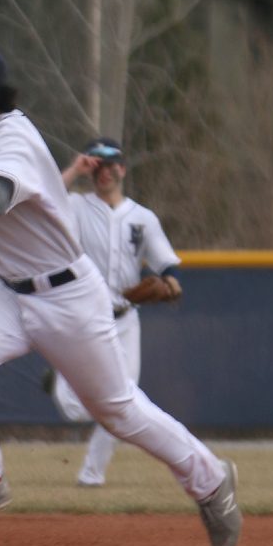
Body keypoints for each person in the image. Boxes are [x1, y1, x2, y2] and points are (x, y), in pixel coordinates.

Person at [0, 42, 242, 546]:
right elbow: (4, 214)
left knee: (118, 412)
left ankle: (210, 481)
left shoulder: (12, 137)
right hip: (9, 293)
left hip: (68, 298)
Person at [41, 137, 184, 487]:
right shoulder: (75, 205)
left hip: (124, 320)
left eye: (110, 165)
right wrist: (75, 168)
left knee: (126, 399)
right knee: (73, 408)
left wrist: (170, 280)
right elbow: (45, 196)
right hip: (82, 317)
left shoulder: (143, 218)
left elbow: (166, 262)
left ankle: (92, 475)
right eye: (97, 165)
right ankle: (58, 379)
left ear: (122, 168)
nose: (104, 172)